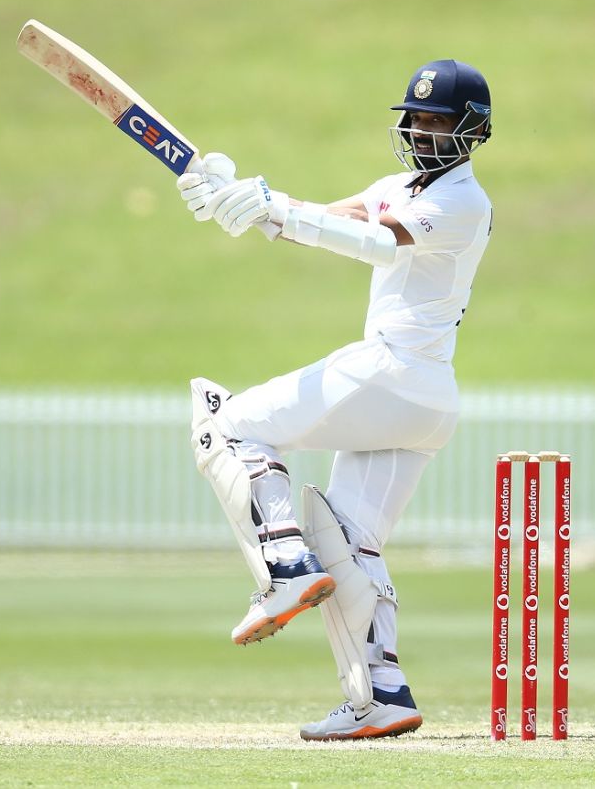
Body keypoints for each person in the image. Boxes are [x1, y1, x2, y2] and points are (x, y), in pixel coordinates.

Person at [176, 59, 494, 741]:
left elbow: (378, 244)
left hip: (392, 372)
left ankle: (285, 567)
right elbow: (327, 217)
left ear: (473, 131)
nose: (422, 130)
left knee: (227, 429)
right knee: (350, 539)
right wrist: (244, 199)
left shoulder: (465, 201)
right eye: (414, 118)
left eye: (438, 121)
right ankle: (380, 693)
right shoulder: (399, 185)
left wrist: (276, 209)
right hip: (424, 400)